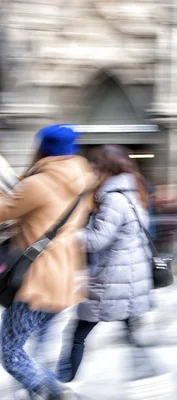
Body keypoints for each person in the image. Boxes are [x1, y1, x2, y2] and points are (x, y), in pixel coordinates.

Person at [0, 124, 94, 400]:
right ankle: (53, 391)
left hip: (36, 279)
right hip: (65, 278)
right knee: (33, 347)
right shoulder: (82, 179)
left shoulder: (39, 183)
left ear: (42, 148)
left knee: (11, 352)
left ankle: (56, 394)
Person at [57, 145, 154, 385]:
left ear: (105, 168)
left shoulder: (113, 198)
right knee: (132, 335)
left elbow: (97, 240)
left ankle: (61, 385)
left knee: (77, 334)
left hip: (111, 280)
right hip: (132, 277)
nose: (93, 170)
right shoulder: (134, 192)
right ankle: (148, 379)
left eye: (96, 165)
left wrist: (69, 235)